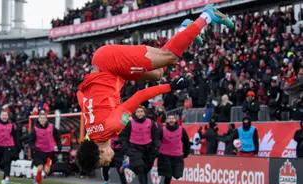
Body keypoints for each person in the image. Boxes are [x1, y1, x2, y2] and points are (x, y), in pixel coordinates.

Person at [76, 5, 234, 172]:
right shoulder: (91, 134)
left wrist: (170, 86)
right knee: (157, 73)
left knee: (170, 57)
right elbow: (80, 95)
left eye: (103, 162)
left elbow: (138, 96)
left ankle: (207, 15)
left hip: (110, 63)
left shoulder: (112, 126)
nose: (108, 161)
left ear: (100, 152)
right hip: (108, 69)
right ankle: (185, 30)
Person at [120, 106, 160, 184]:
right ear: (135, 113)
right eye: (138, 112)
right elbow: (123, 137)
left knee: (145, 169)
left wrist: (156, 147)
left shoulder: (151, 122)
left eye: (141, 111)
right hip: (134, 149)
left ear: (144, 113)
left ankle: (128, 165)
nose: (140, 113)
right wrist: (126, 149)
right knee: (140, 168)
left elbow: (156, 136)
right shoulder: (130, 123)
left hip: (148, 149)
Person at [24, 111, 62, 184]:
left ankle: (36, 178)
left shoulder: (52, 127)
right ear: (38, 119)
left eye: (44, 118)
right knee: (40, 167)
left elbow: (57, 136)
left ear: (46, 119)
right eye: (41, 118)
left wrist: (59, 145)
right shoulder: (35, 129)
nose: (42, 120)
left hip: (50, 152)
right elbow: (30, 141)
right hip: (39, 152)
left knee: (47, 170)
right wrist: (34, 148)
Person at [157, 114, 190, 184]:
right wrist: (156, 152)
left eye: (173, 118)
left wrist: (186, 153)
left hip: (177, 155)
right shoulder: (162, 130)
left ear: (176, 120)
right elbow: (156, 141)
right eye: (169, 118)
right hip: (165, 155)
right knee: (168, 175)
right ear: (167, 120)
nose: (171, 120)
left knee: (177, 175)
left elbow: (186, 142)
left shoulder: (181, 130)